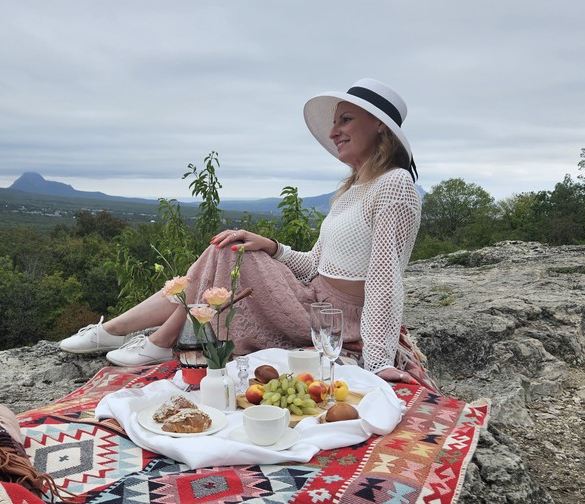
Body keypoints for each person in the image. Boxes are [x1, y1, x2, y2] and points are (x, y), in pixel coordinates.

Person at [60, 78, 425, 384]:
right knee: (232, 245)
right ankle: (125, 333)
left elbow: (384, 278)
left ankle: (141, 336)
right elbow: (317, 263)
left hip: (336, 321)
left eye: (345, 120)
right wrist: (270, 245)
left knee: (227, 252)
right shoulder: (353, 190)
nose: (333, 132)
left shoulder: (394, 185)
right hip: (313, 299)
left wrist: (377, 363)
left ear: (380, 125)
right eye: (335, 123)